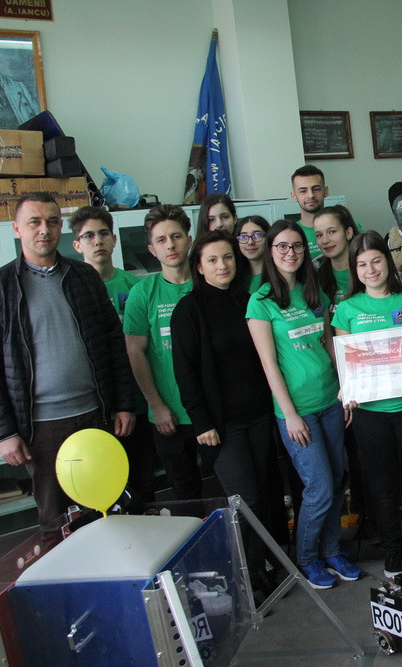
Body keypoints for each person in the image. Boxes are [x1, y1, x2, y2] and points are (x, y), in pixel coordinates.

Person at [0, 193, 135, 526]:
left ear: (61, 227)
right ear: (17, 228)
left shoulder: (84, 276)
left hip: (96, 415)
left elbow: (113, 345)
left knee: (110, 511)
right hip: (40, 429)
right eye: (34, 222)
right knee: (57, 521)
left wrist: (125, 404)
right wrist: (4, 433)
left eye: (52, 221)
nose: (44, 229)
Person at [246, 220, 361, 589]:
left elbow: (329, 346)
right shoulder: (261, 302)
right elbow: (268, 365)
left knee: (337, 479)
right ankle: (307, 558)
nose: (290, 252)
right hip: (297, 411)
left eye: (296, 245)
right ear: (270, 252)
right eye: (281, 246)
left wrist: (346, 390)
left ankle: (332, 551)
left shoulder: (315, 294)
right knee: (319, 488)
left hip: (330, 401)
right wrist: (290, 415)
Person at [171, 230, 282, 591]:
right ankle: (240, 579)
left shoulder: (248, 300)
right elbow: (185, 371)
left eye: (228, 257)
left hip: (259, 416)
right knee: (245, 501)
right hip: (221, 425)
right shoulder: (189, 309)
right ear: (199, 267)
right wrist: (201, 421)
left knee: (262, 496)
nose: (222, 265)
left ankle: (258, 570)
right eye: (213, 260)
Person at [332, 231, 402, 577]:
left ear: (387, 261)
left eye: (376, 260)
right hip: (370, 414)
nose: (371, 269)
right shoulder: (347, 309)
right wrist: (346, 389)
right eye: (362, 264)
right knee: (381, 487)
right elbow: (345, 364)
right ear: (355, 269)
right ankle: (393, 549)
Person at [69, 205, 157, 504]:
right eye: (89, 236)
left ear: (114, 239)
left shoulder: (136, 287)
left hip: (138, 401)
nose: (98, 241)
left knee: (143, 483)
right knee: (103, 490)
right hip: (95, 404)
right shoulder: (71, 290)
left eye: (104, 233)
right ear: (77, 245)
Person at [123, 205, 203, 500]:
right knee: (186, 494)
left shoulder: (208, 282)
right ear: (152, 249)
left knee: (226, 490)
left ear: (189, 239)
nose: (170, 245)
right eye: (161, 240)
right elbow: (135, 351)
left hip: (211, 412)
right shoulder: (143, 293)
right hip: (169, 415)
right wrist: (156, 405)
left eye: (176, 236)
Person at [314, 205, 359, 307]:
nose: (325, 240)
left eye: (332, 232)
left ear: (348, 233)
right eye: (319, 235)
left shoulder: (368, 270)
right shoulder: (315, 274)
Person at [291, 165, 329, 259]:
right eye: (303, 191)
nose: (311, 195)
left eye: (316, 189)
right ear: (294, 196)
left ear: (326, 191)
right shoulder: (291, 233)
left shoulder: (347, 225)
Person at [235, 215, 271, 294]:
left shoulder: (279, 273)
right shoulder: (234, 275)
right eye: (244, 236)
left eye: (257, 235)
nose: (250, 242)